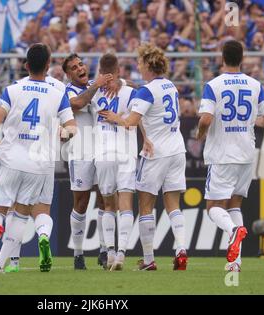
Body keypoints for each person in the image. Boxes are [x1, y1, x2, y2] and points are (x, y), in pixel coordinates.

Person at [0, 43, 76, 273]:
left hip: (11, 159)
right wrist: (64, 133)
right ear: (48, 65)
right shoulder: (58, 92)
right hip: (39, 164)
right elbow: (72, 127)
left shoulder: (13, 89)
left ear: (25, 65)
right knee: (21, 217)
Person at [100, 43, 189, 271]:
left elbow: (130, 122)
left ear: (148, 64)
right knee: (173, 204)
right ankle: (181, 249)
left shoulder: (147, 91)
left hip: (155, 153)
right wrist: (122, 84)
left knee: (146, 205)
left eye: (140, 62)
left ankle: (148, 260)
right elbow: (145, 101)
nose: (137, 65)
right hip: (177, 149)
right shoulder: (170, 86)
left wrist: (113, 117)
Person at [197, 40, 264, 272]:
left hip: (222, 154)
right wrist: (251, 122)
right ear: (242, 58)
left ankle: (233, 231)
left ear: (222, 58)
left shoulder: (214, 85)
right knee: (234, 205)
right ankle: (235, 263)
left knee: (213, 207)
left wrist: (200, 134)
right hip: (246, 153)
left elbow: (206, 119)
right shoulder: (254, 84)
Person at [61, 53, 113, 270]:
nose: (79, 68)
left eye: (80, 64)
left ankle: (103, 250)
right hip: (80, 152)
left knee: (104, 200)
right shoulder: (67, 92)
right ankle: (78, 253)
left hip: (101, 151)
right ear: (68, 74)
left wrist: (119, 82)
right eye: (74, 67)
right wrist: (97, 85)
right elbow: (79, 102)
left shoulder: (96, 84)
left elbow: (120, 87)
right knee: (81, 203)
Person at [90, 53, 136, 271]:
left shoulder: (93, 90)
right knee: (125, 203)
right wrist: (123, 81)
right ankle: (121, 253)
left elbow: (75, 100)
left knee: (108, 204)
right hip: (126, 153)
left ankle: (109, 251)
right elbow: (139, 117)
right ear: (118, 70)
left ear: (100, 71)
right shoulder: (131, 91)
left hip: (103, 153)